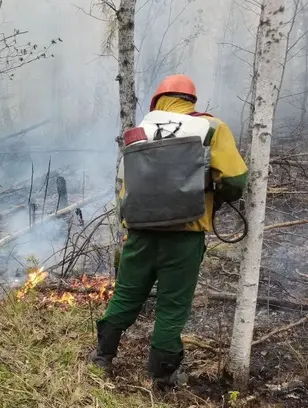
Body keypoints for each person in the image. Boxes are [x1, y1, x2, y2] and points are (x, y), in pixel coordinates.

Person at [90, 74, 248, 388]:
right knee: (171, 307)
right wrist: (213, 197)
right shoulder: (211, 127)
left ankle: (102, 358)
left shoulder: (137, 132)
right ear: (190, 100)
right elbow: (235, 180)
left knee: (125, 295)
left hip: (140, 233)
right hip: (185, 235)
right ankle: (161, 378)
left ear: (157, 101)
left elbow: (126, 188)